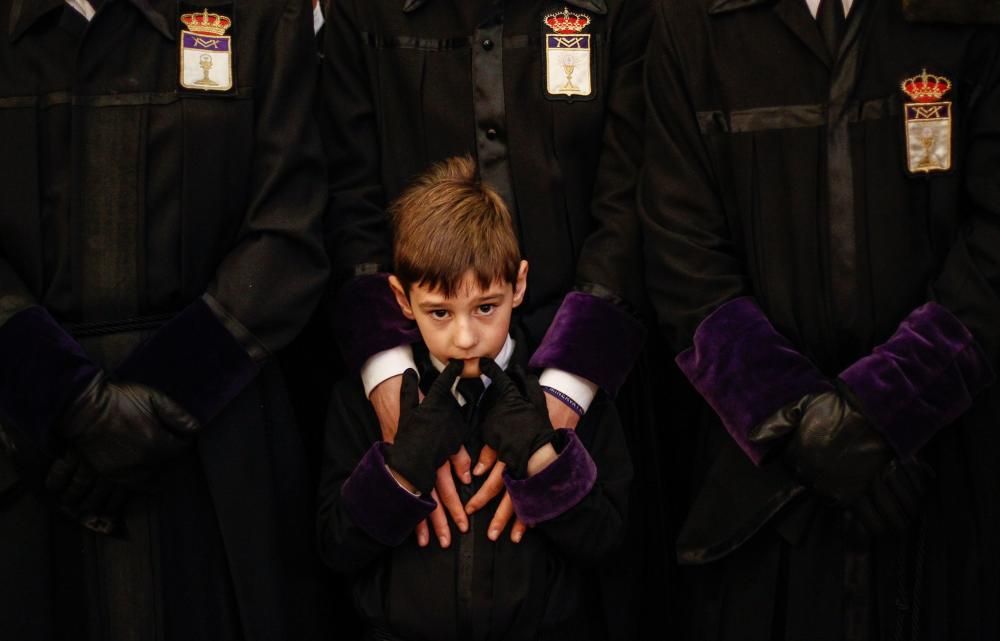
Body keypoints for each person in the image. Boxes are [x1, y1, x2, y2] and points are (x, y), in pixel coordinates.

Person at [639, 0, 1000, 638]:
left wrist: (885, 415)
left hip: (937, 481)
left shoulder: (972, 17)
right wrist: (806, 427)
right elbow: (683, 256)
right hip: (763, 498)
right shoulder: (689, 24)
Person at [319, 2, 676, 635]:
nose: (467, 333)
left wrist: (559, 417)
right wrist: (397, 419)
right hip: (407, 363)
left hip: (587, 374)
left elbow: (635, 190)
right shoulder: (359, 13)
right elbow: (348, 196)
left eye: (483, 308)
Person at [0, 1, 328, 639]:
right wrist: (69, 404)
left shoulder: (263, 15)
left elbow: (291, 229)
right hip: (26, 453)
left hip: (217, 455)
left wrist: (158, 403)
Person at [317, 156, 632, 641]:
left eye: (486, 307)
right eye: (439, 313)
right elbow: (336, 547)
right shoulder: (362, 401)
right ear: (402, 300)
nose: (465, 337)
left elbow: (606, 542)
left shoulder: (564, 395)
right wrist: (400, 470)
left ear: (518, 285)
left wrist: (542, 455)